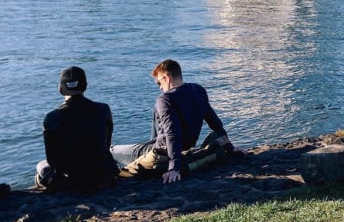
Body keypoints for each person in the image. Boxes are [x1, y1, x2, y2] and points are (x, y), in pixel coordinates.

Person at [112, 59, 241, 183]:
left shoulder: (165, 99)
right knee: (155, 116)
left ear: (167, 78)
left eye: (159, 83)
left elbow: (173, 134)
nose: (160, 88)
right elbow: (215, 123)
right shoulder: (198, 90)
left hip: (160, 153)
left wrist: (174, 168)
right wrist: (230, 147)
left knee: (111, 150)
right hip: (183, 145)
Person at [35, 66, 117, 191]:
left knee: (41, 165)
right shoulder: (103, 109)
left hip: (72, 178)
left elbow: (52, 159)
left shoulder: (52, 117)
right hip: (101, 173)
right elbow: (106, 144)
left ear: (60, 88)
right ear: (85, 86)